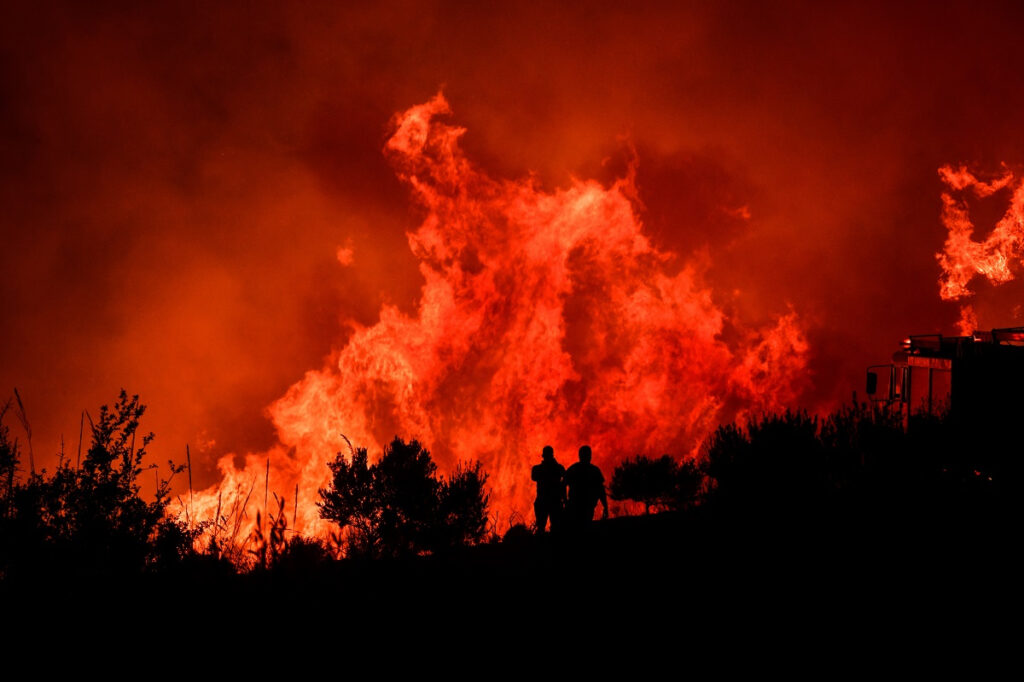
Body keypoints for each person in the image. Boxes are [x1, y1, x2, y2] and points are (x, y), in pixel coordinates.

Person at [564, 444, 608, 528]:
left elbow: (562, 485)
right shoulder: (594, 470)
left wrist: (565, 501)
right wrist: (605, 506)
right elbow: (601, 490)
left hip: (579, 506)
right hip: (582, 506)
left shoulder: (573, 469)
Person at [531, 445, 565, 533]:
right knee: (547, 527)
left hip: (549, 501)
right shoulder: (539, 469)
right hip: (550, 501)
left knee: (552, 527)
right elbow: (534, 477)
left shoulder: (538, 469)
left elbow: (564, 480)